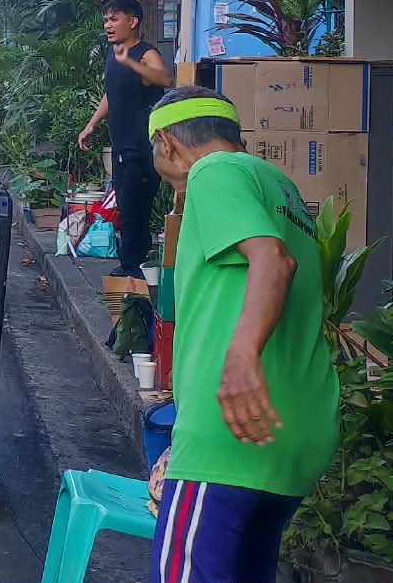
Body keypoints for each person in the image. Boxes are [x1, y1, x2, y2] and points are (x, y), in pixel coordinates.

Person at [145, 88, 337, 583]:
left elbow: (273, 260)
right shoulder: (279, 186)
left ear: (166, 143)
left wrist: (242, 357)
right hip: (294, 435)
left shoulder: (213, 173)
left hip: (230, 431)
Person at [79, 0, 173, 278]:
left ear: (132, 22)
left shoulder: (145, 53)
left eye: (114, 19)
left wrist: (132, 64)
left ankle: (134, 269)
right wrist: (92, 124)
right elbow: (113, 92)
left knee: (134, 207)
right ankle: (132, 265)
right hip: (122, 145)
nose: (108, 25)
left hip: (143, 148)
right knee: (126, 204)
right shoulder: (115, 53)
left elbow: (164, 79)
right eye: (106, 20)